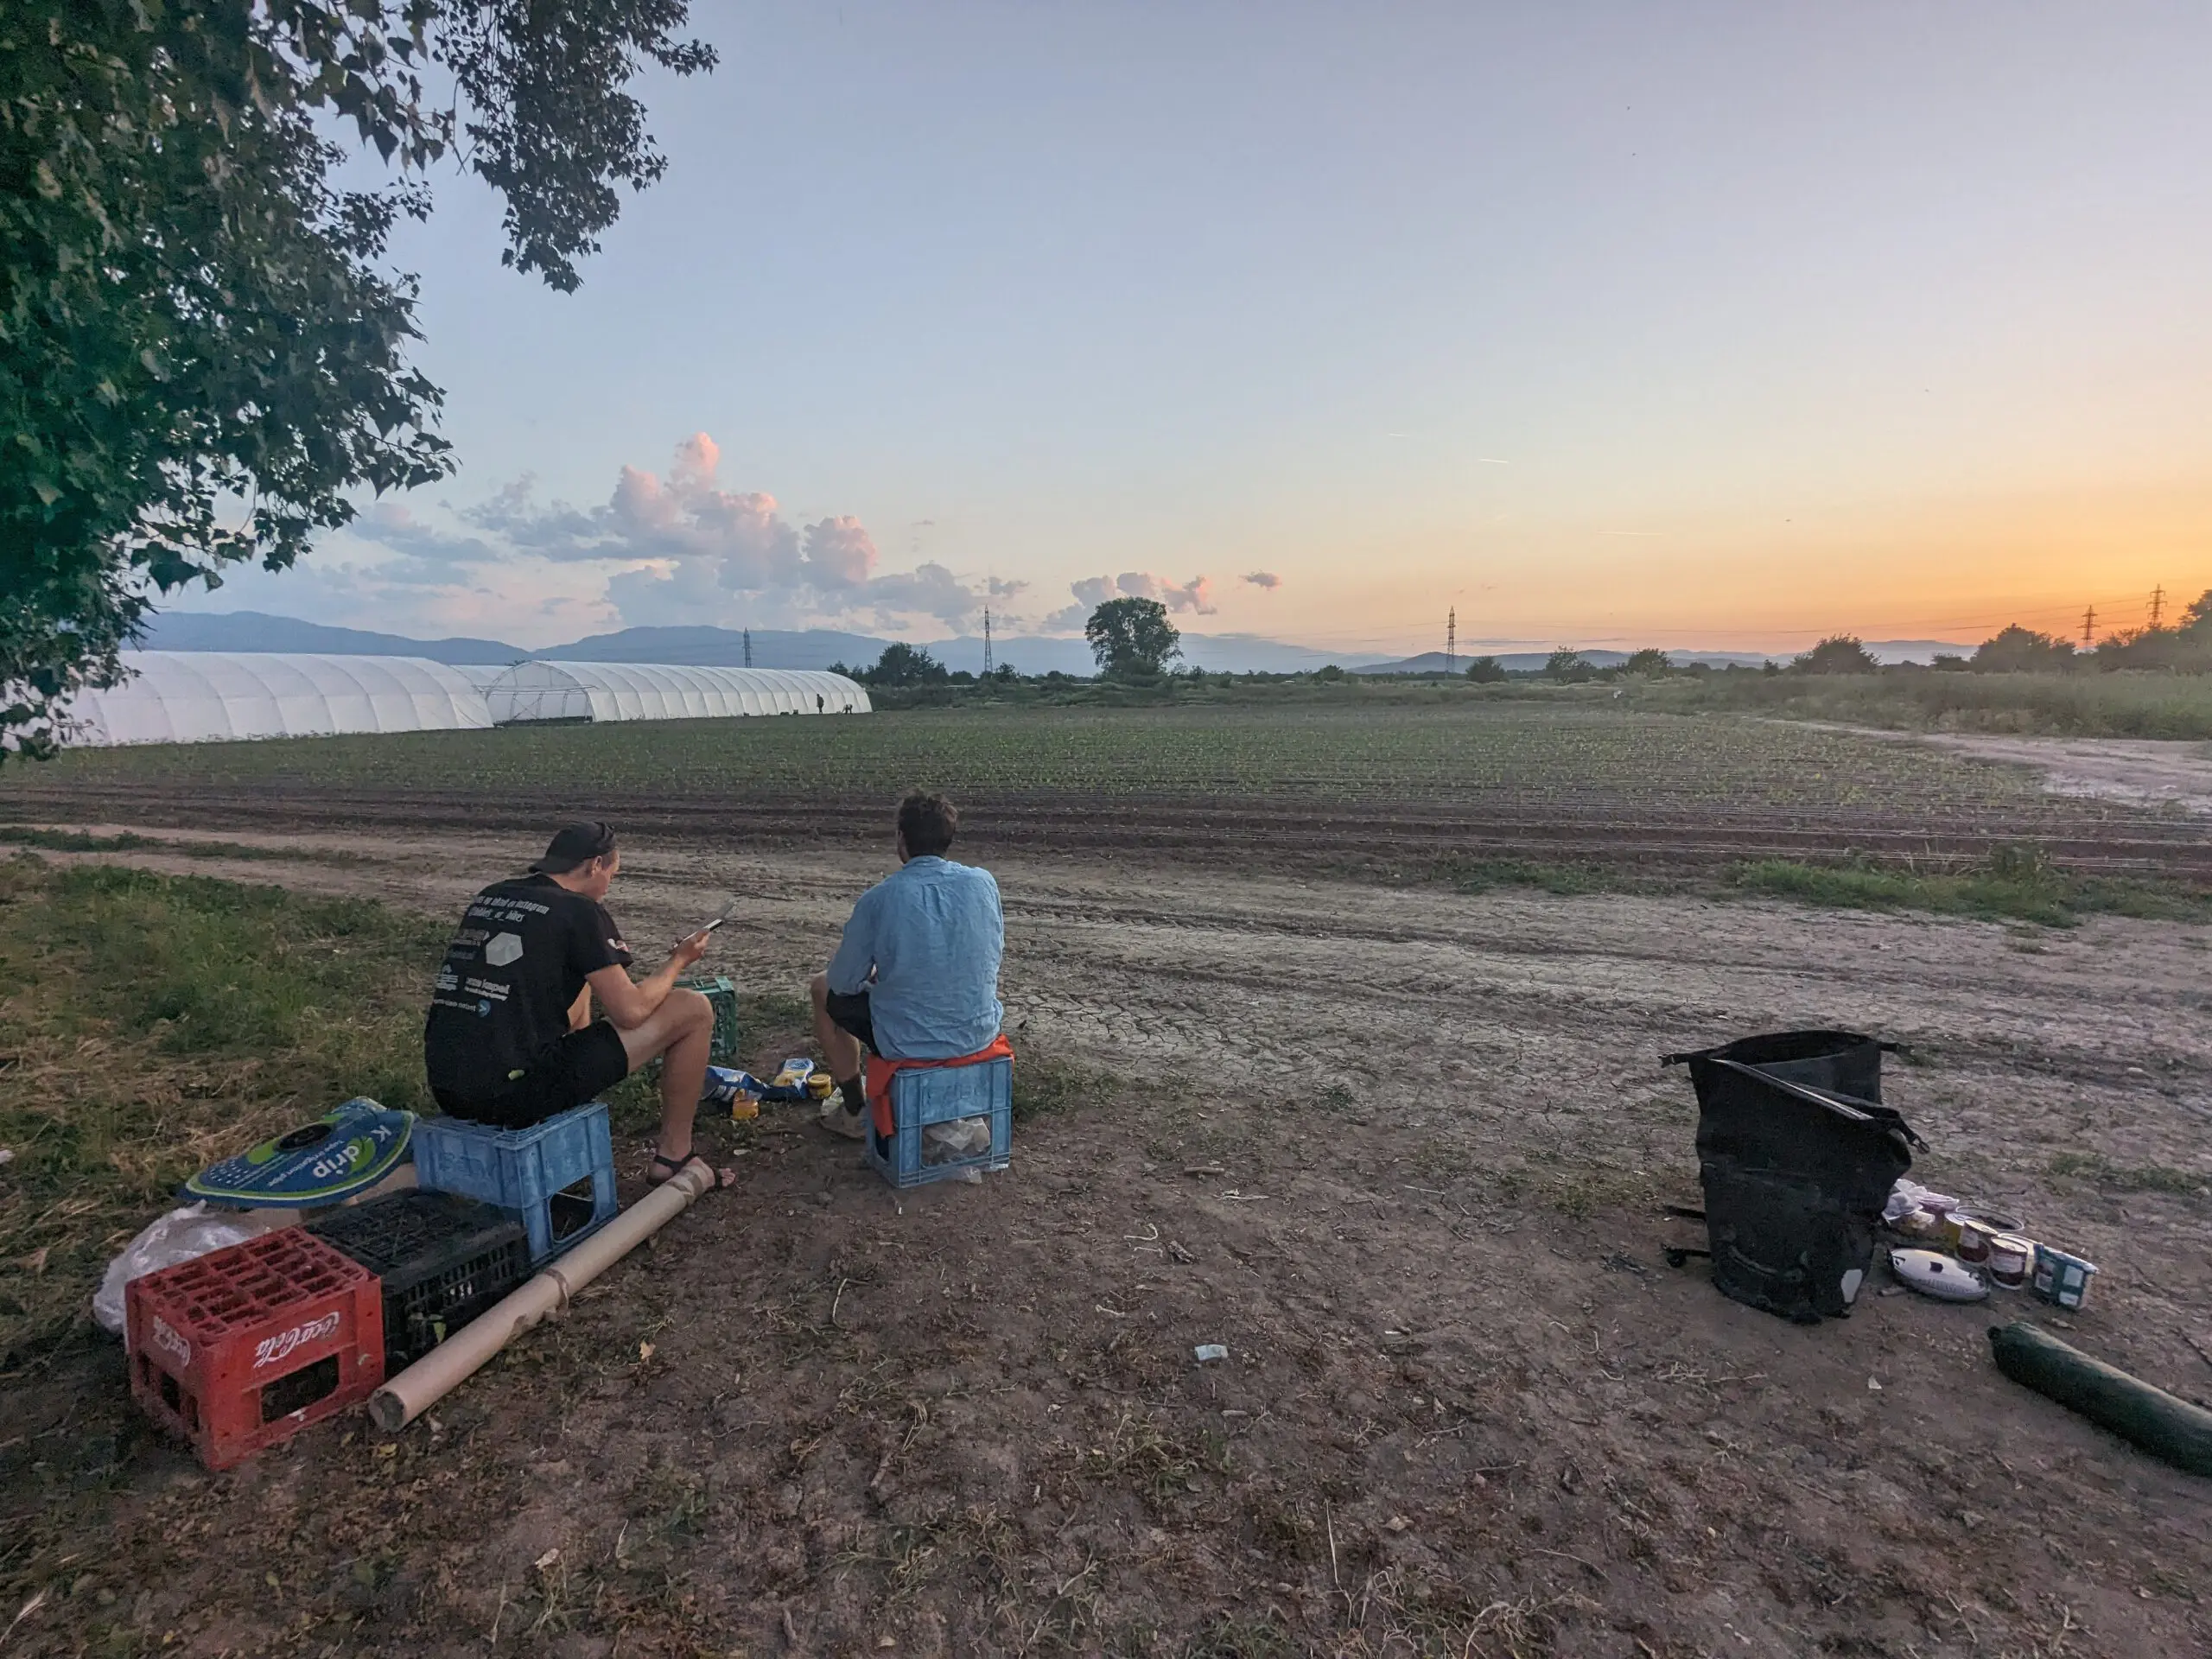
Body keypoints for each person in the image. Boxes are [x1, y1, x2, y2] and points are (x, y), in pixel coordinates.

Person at [424, 821, 736, 1188]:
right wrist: (679, 960)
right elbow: (631, 1011)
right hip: (511, 1095)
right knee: (693, 1009)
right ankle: (674, 1155)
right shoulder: (578, 910)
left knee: (583, 978)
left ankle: (573, 1094)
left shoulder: (493, 896)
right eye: (612, 876)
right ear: (595, 865)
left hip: (449, 1086)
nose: (608, 886)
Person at [811, 791, 1004, 1139]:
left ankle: (855, 1109)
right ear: (948, 838)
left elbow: (842, 983)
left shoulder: (880, 898)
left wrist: (877, 976)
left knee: (822, 988)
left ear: (901, 838)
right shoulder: (984, 883)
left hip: (909, 1041)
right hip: (978, 1031)